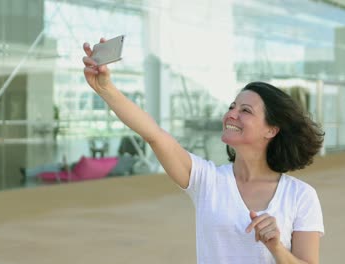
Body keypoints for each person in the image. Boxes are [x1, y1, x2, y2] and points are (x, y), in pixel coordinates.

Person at [82, 38, 325, 264]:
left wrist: (277, 248)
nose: (231, 114)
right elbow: (154, 135)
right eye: (232, 106)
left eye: (246, 111)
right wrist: (106, 89)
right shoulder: (207, 180)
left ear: (271, 130)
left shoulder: (300, 196)